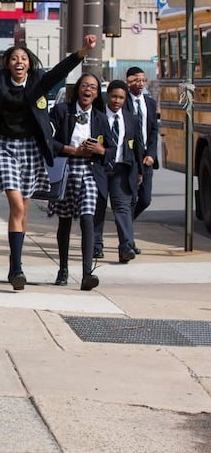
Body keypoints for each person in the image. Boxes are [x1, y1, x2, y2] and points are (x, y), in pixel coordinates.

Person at [0, 33, 97, 290]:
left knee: (22, 210)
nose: (19, 61)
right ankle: (16, 270)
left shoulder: (38, 83)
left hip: (31, 149)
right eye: (14, 58)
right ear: (8, 64)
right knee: (16, 207)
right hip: (4, 147)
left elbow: (62, 69)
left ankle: (16, 262)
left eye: (23, 58)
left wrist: (84, 49)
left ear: (29, 64)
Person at [48, 73, 110, 291]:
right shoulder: (61, 112)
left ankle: (86, 273)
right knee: (64, 221)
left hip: (90, 172)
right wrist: (71, 150)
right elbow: (48, 141)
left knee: (87, 219)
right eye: (85, 86)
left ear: (96, 94)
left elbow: (110, 149)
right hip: (66, 169)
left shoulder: (101, 118)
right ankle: (63, 269)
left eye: (93, 87)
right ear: (77, 90)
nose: (88, 90)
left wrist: (100, 149)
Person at [94, 80, 143, 263]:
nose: (117, 101)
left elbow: (138, 145)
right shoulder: (97, 116)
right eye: (114, 96)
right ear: (108, 95)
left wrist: (139, 170)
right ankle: (96, 245)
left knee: (122, 208)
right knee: (98, 207)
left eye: (121, 98)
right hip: (100, 167)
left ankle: (126, 246)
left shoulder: (131, 119)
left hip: (122, 169)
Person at [124, 66, 159, 253]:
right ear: (129, 81)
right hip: (131, 158)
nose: (141, 84)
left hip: (146, 158)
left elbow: (154, 130)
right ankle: (128, 241)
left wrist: (151, 154)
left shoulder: (150, 103)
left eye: (143, 80)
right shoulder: (124, 103)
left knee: (144, 199)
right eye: (137, 80)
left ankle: (125, 224)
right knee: (130, 200)